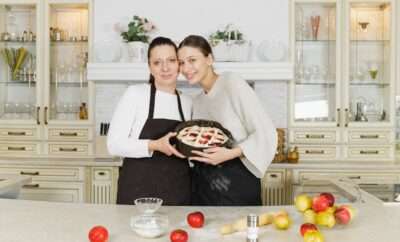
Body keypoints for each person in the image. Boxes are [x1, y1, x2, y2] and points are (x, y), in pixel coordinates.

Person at [177, 35, 277, 206]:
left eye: (192, 60)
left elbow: (266, 131)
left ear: (209, 59)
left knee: (238, 231)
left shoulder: (232, 82)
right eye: (181, 63)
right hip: (204, 185)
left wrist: (230, 153)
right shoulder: (198, 100)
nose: (186, 68)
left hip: (236, 182)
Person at [107, 37, 192, 205]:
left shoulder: (188, 102)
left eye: (171, 60)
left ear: (179, 64)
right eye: (157, 62)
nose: (165, 68)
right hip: (139, 191)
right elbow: (113, 145)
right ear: (149, 67)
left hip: (178, 191)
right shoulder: (136, 94)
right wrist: (154, 145)